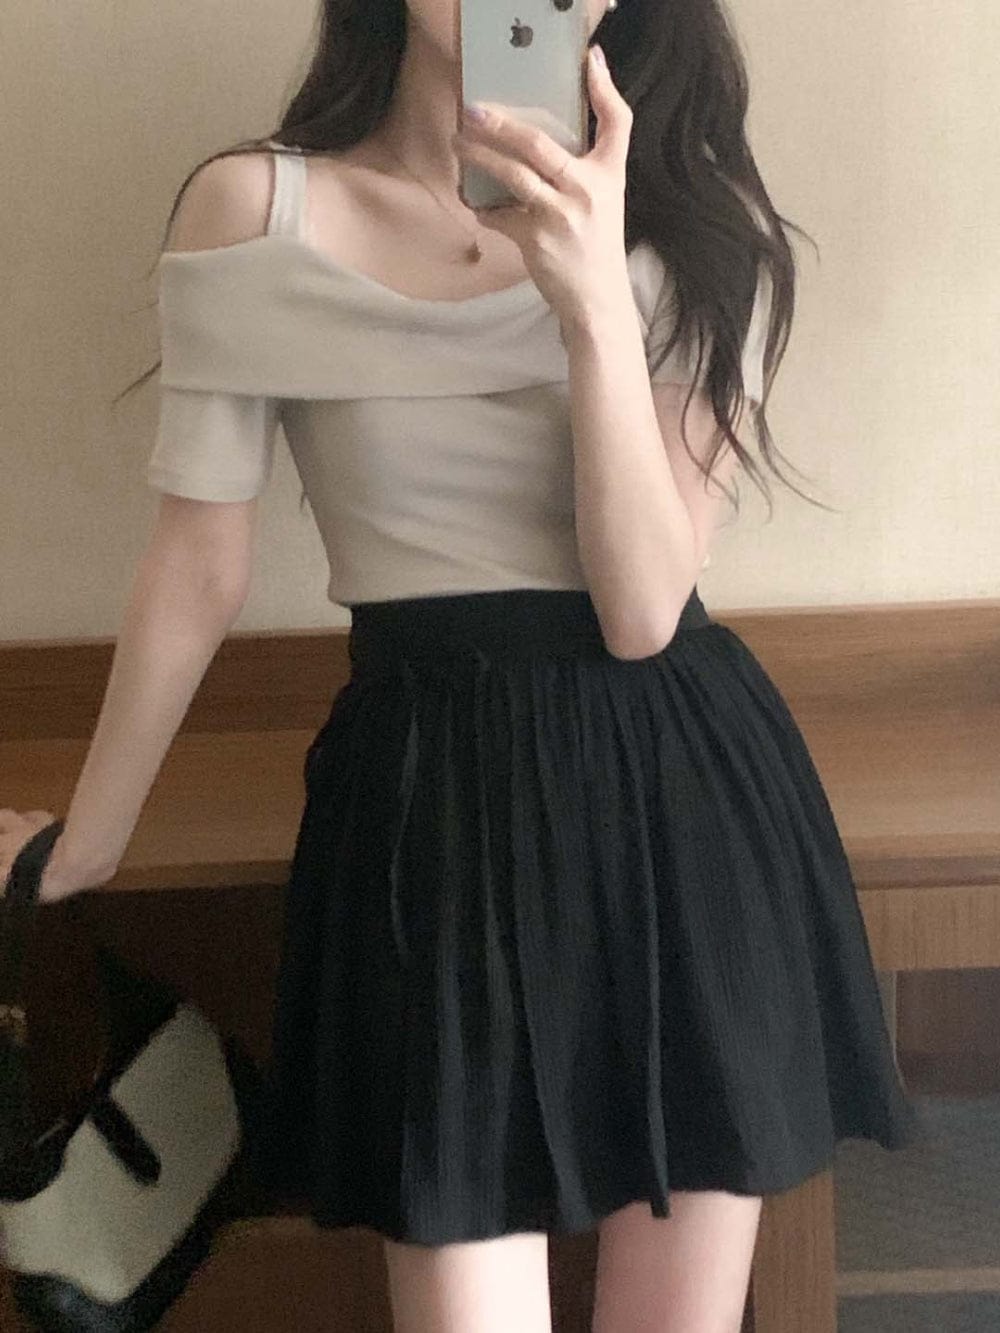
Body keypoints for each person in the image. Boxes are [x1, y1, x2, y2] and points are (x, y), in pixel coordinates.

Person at [1, 1, 922, 1330]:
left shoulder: (697, 228)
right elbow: (197, 565)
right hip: (427, 812)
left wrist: (594, 302)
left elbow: (644, 610)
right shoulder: (253, 213)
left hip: (682, 813)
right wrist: (88, 840)